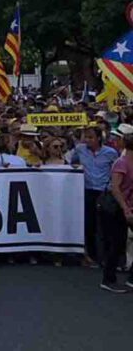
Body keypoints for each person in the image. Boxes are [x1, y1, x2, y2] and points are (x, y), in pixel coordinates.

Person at [70, 126, 119, 268]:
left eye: (91, 137)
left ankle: (107, 257)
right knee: (89, 225)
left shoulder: (110, 153)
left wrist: (109, 187)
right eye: (86, 137)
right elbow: (73, 163)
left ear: (99, 138)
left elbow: (114, 171)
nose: (87, 140)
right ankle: (92, 256)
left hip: (104, 192)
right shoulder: (80, 150)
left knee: (106, 226)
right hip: (87, 191)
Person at [98, 131, 133, 293]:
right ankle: (108, 279)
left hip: (129, 207)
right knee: (117, 244)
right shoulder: (122, 163)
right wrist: (125, 208)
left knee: (119, 243)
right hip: (119, 209)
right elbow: (115, 188)